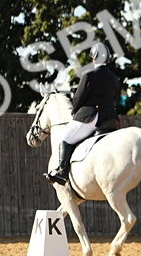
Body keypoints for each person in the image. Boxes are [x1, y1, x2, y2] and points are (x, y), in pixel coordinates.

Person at [46, 52, 121, 186]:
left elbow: (78, 98)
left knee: (65, 138)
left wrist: (75, 112)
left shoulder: (89, 75)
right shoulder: (114, 78)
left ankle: (62, 173)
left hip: (92, 116)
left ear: (93, 58)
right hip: (111, 119)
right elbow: (117, 99)